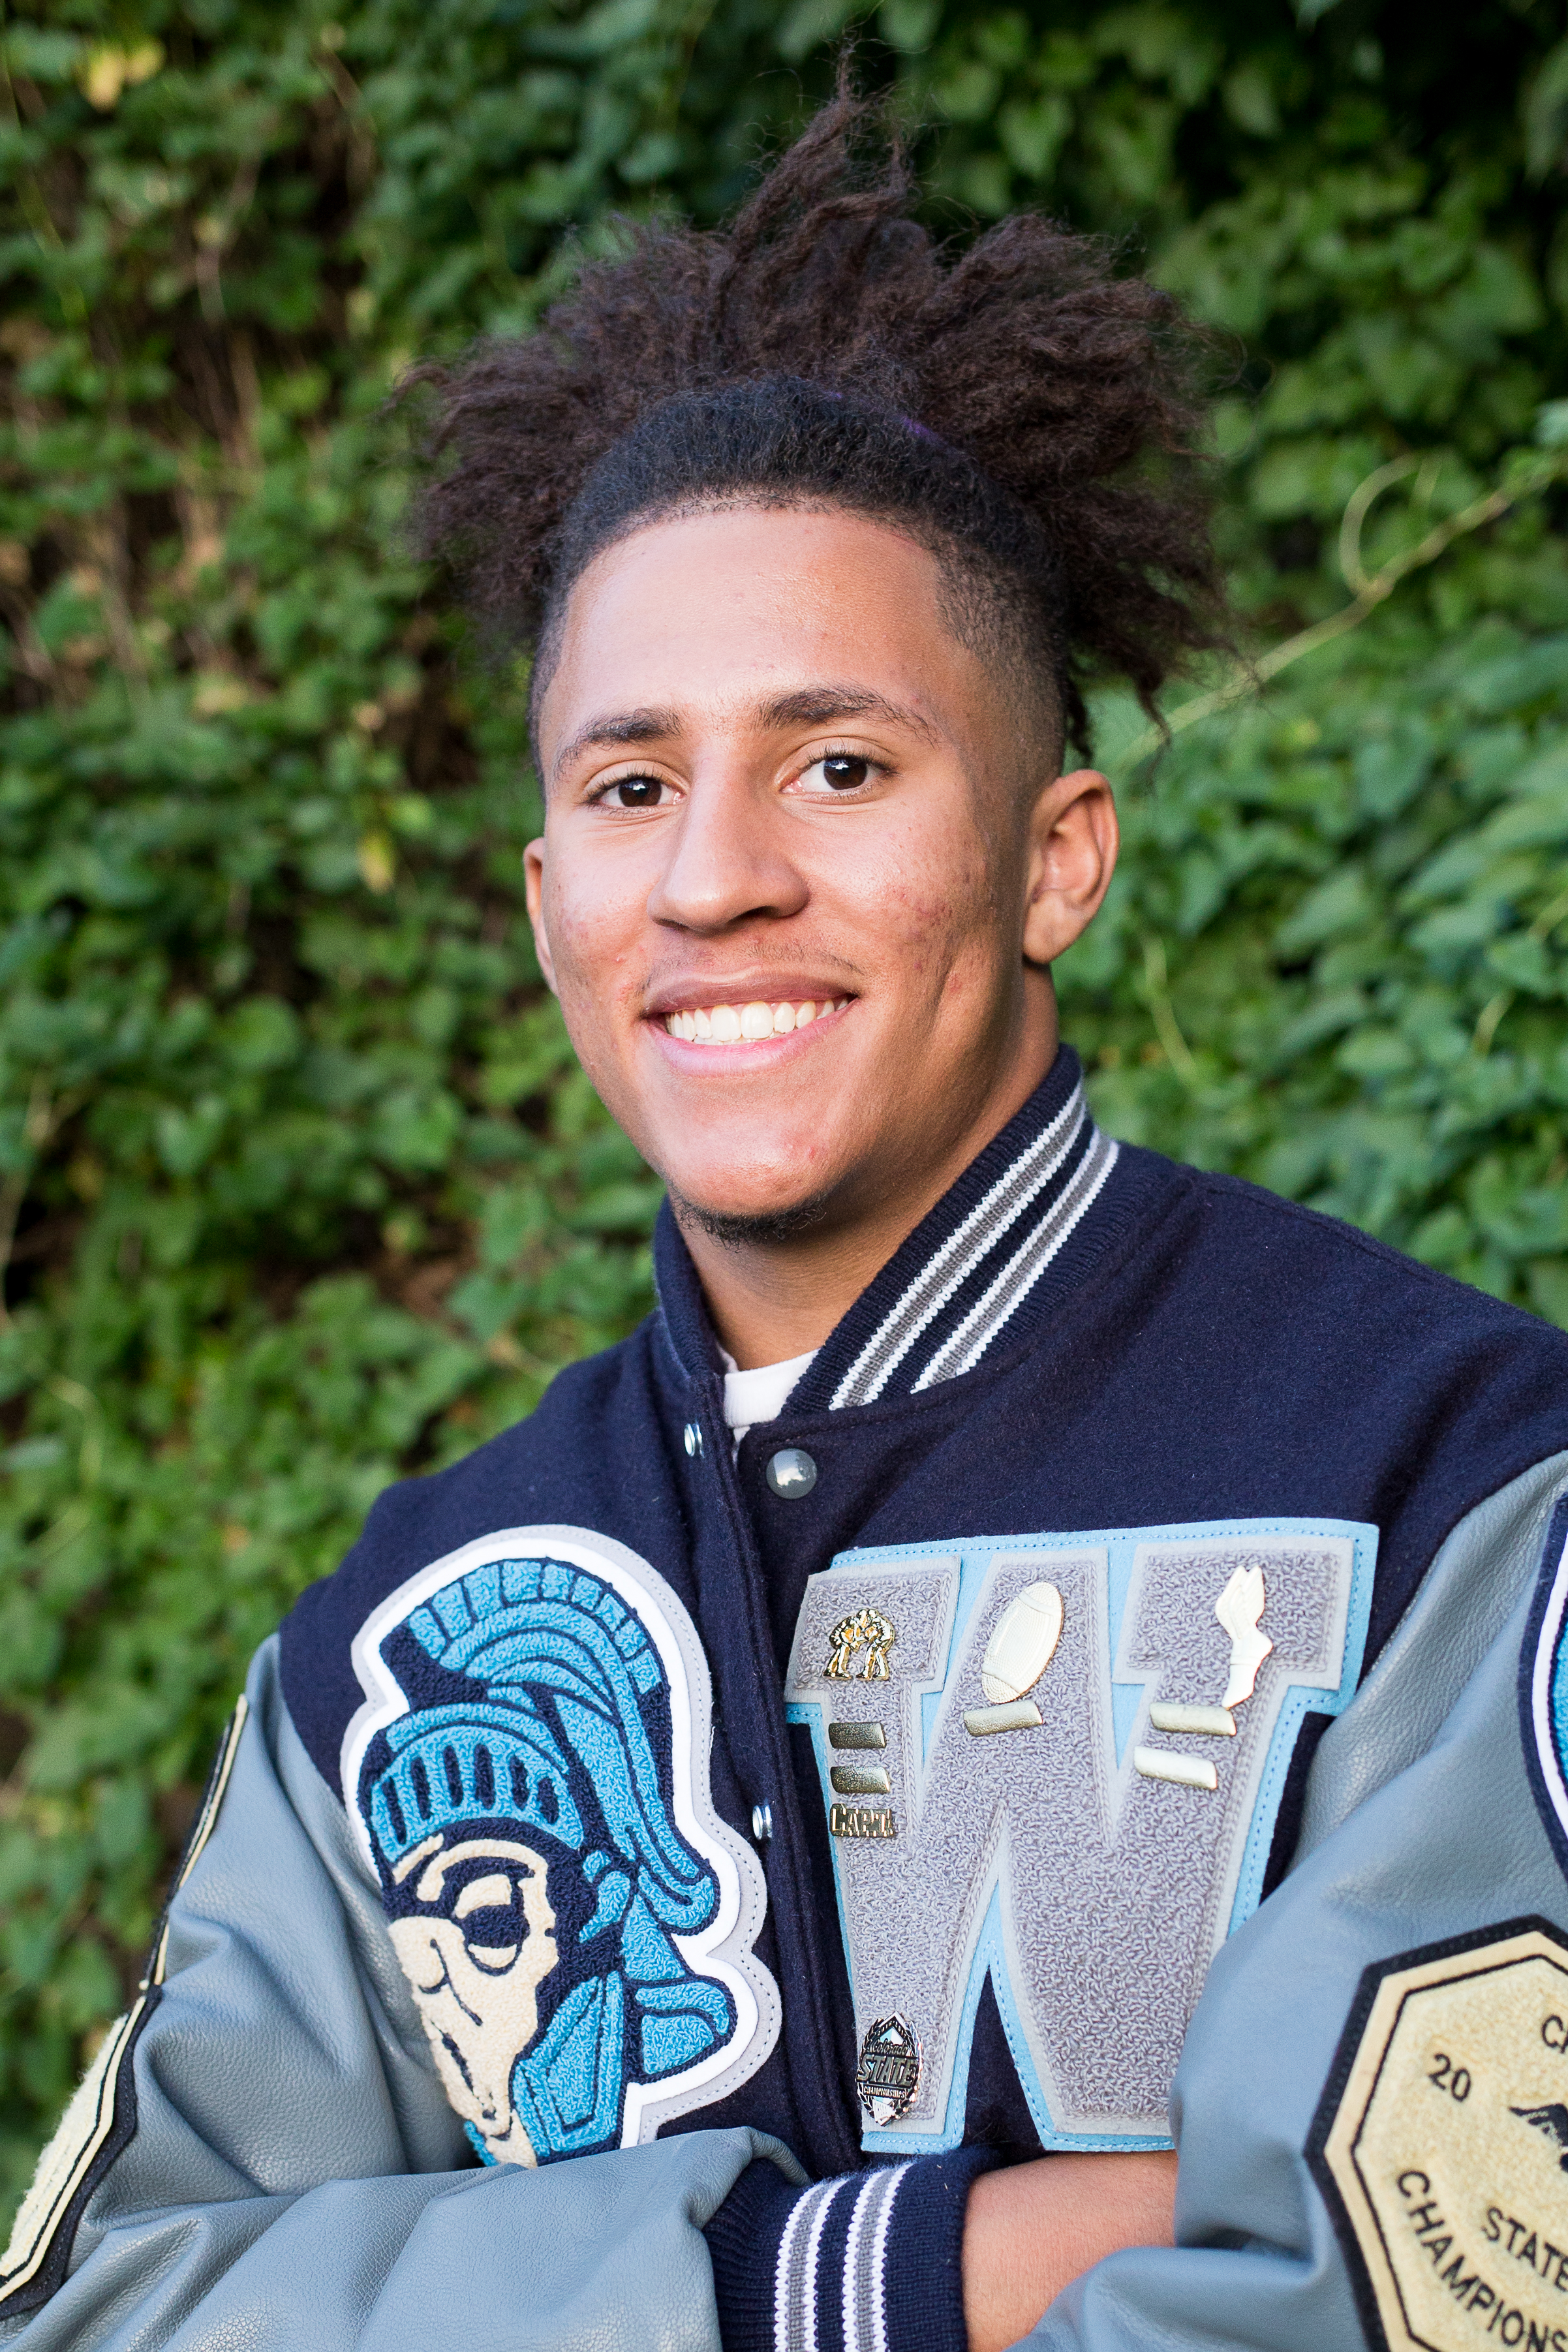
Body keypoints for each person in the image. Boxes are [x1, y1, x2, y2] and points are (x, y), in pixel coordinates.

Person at [5, 89, 1568, 2352]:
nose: (717, 872)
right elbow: (106, 2309)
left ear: (1057, 854)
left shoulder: (1456, 1485)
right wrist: (855, 2275)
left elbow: (1439, 2295)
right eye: (631, 784)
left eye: (839, 762)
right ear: (552, 907)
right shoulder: (399, 1643)